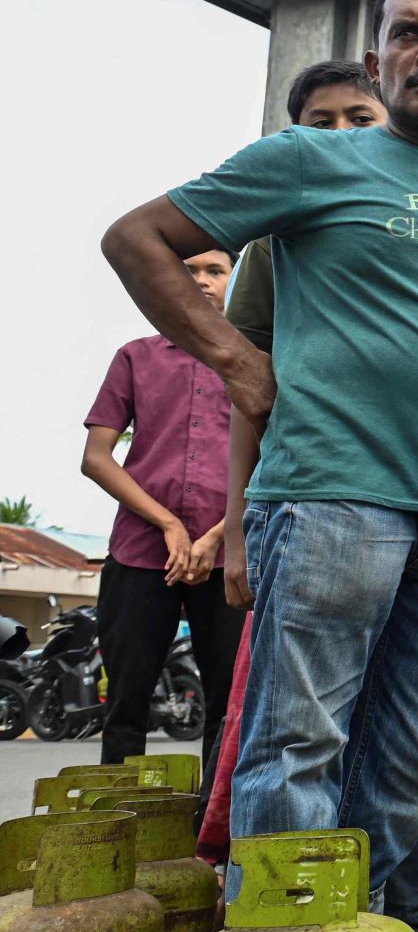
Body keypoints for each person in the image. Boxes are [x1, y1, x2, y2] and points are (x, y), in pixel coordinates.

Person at [100, 0, 418, 932]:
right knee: (298, 737)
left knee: (408, 747)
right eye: (409, 33)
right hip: (329, 496)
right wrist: (237, 361)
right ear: (378, 61)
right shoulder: (311, 160)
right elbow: (137, 239)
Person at [80, 245, 240, 773]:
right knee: (126, 704)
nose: (202, 280)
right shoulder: (136, 357)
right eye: (189, 270)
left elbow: (274, 463)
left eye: (215, 270)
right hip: (139, 552)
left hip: (229, 559)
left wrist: (215, 536)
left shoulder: (258, 364)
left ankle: (214, 820)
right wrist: (169, 522)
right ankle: (118, 817)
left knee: (228, 709)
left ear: (237, 279)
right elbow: (96, 458)